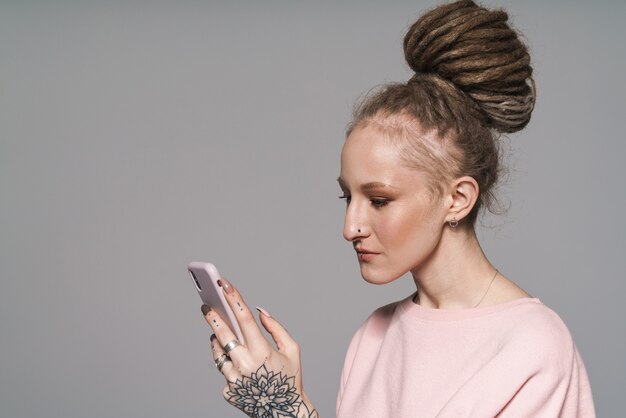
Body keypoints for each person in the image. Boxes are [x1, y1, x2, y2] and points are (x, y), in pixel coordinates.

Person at [201, 1, 595, 417]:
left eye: (379, 200)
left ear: (457, 199)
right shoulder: (374, 336)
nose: (350, 227)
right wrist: (282, 404)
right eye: (346, 198)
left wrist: (281, 410)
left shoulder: (532, 348)